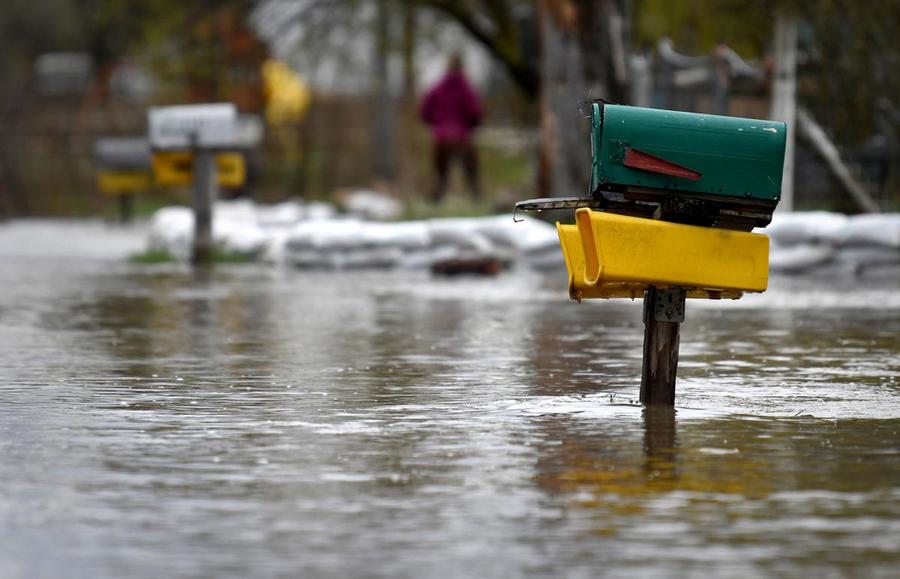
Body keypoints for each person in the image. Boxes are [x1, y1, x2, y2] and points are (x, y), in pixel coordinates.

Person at [419, 55, 482, 202]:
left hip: (441, 138)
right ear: (461, 68)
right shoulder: (467, 89)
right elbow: (475, 112)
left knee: (441, 173)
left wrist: (434, 123)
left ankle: (435, 200)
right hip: (462, 137)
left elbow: (424, 110)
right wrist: (471, 126)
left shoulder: (437, 88)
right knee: (471, 169)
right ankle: (476, 197)